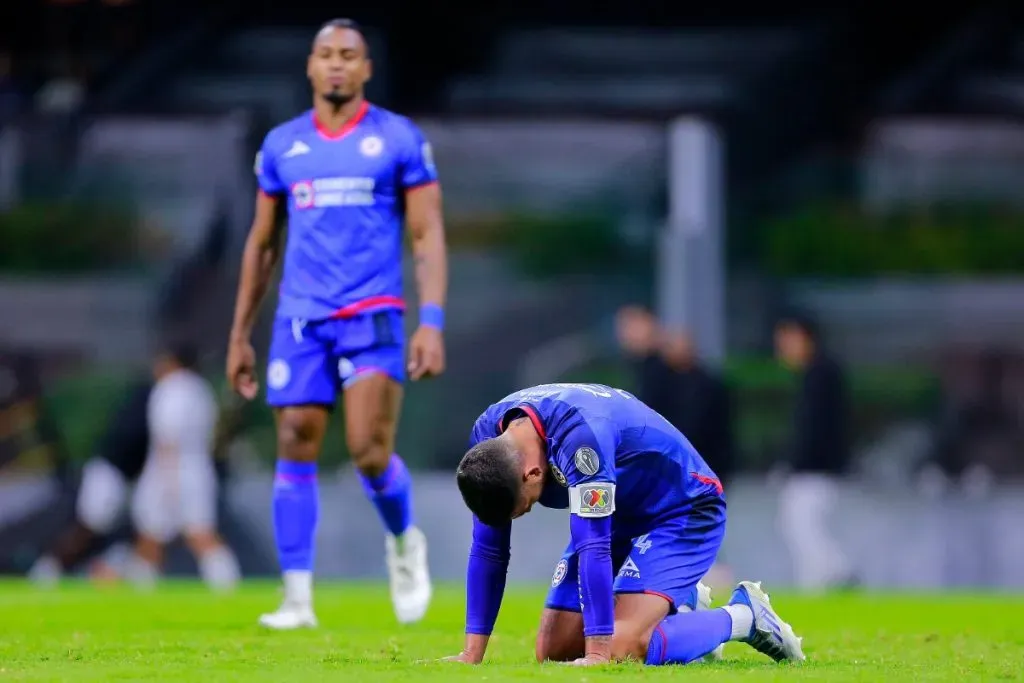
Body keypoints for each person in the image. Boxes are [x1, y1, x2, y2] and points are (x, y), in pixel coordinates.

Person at [226, 18, 447, 628]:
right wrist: (240, 333)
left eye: (348, 55)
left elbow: (427, 234)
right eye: (325, 55)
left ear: (366, 69)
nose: (336, 65)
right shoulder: (282, 146)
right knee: (294, 436)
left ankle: (405, 543)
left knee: (368, 452)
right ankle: (296, 596)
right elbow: (262, 243)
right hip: (300, 318)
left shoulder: (398, 139)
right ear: (309, 66)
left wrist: (431, 321)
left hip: (372, 314)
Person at [446, 383, 805, 666]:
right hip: (619, 510)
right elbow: (489, 549)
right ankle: (681, 607)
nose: (520, 515)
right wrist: (471, 654)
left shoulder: (580, 437)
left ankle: (745, 616)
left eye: (519, 508)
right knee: (554, 649)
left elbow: (593, 545)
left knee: (619, 644)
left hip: (681, 508)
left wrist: (599, 653)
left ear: (533, 473)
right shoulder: (489, 439)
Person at [126, 340, 240, 591]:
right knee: (164, 533)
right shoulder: (201, 389)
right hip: (199, 467)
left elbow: (169, 436)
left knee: (183, 532)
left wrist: (168, 479)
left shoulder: (171, 388)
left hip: (171, 469)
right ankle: (225, 581)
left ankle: (224, 582)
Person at [28, 379, 153, 585]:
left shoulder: (162, 396)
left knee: (144, 525)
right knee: (90, 526)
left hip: (132, 478)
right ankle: (48, 568)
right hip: (110, 472)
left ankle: (127, 571)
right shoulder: (148, 397)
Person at [774, 312, 854, 591]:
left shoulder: (821, 375)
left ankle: (834, 573)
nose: (782, 349)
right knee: (800, 524)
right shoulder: (816, 374)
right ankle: (824, 577)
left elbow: (819, 429)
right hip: (815, 467)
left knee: (802, 524)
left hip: (817, 469)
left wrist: (797, 461)